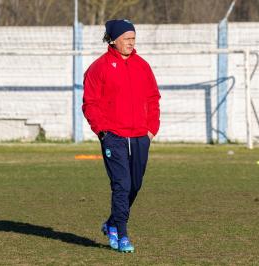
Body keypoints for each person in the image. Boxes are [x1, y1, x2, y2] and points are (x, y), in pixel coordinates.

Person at [82, 19, 161, 253]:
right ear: (113, 40)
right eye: (126, 38)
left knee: (135, 184)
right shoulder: (99, 67)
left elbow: (153, 98)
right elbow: (90, 103)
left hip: (140, 136)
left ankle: (111, 223)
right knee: (121, 185)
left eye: (133, 38)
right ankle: (122, 233)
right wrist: (103, 132)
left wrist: (151, 129)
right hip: (113, 136)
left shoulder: (143, 66)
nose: (131, 42)